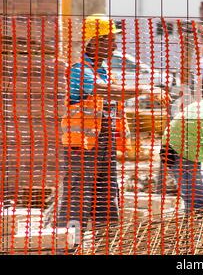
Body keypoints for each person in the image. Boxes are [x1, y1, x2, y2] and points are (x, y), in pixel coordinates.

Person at [56, 14, 170, 239]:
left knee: (107, 198)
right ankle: (67, 245)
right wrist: (146, 89)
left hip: (103, 147)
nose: (116, 44)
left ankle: (103, 244)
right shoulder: (79, 71)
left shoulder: (104, 71)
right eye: (111, 39)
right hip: (82, 149)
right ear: (95, 41)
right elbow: (109, 92)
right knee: (77, 199)